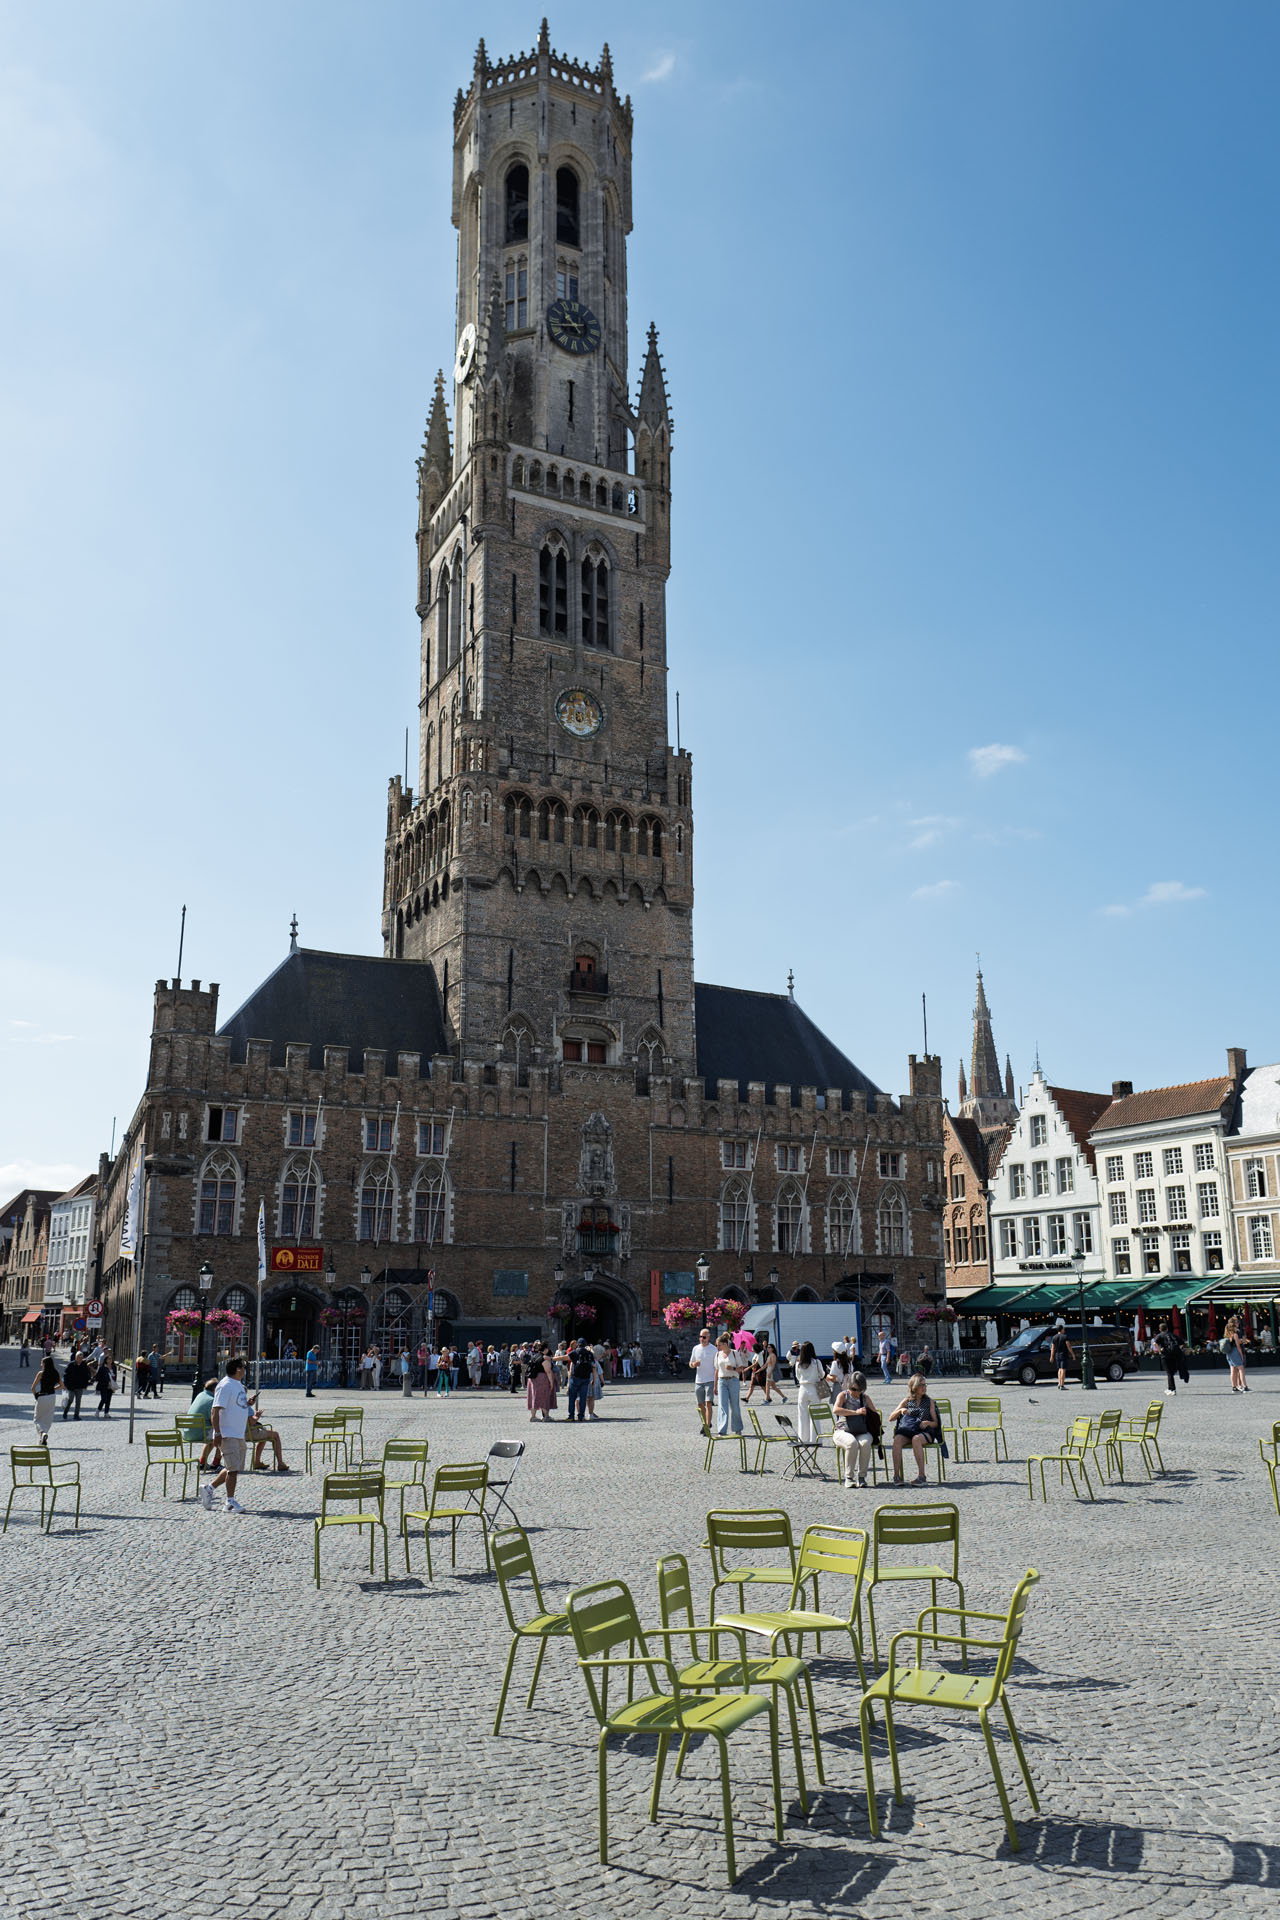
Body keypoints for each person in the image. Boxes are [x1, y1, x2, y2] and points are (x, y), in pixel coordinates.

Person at [201, 1357, 251, 1513]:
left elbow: (236, 1405)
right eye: (243, 1367)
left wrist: (248, 1404)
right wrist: (217, 1432)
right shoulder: (225, 1385)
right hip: (228, 1433)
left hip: (238, 1433)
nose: (244, 1370)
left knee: (233, 1467)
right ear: (237, 1369)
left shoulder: (238, 1386)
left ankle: (209, 1488)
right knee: (233, 1470)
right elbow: (215, 1410)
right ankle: (229, 1502)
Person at [889, 1374, 941, 1486]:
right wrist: (900, 1411)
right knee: (897, 1439)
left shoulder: (929, 1402)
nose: (924, 1387)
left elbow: (936, 1423)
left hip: (925, 1432)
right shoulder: (907, 1401)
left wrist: (927, 1423)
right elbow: (891, 1418)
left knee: (916, 1439)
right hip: (909, 1431)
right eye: (921, 1385)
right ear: (914, 1387)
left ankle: (922, 1476)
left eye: (925, 1385)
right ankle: (896, 1476)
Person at [832, 1370, 877, 1488]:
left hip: (861, 1429)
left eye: (859, 1390)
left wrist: (868, 1412)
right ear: (849, 1386)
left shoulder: (865, 1398)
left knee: (865, 1443)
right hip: (842, 1429)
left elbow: (875, 1415)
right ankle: (849, 1477)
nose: (856, 1392)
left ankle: (862, 1477)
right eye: (853, 1389)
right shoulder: (843, 1395)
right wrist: (855, 1412)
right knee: (852, 1443)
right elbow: (836, 1410)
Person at [246, 1394, 293, 1473]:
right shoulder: (245, 1408)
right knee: (275, 1435)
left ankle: (257, 1462)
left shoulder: (235, 1405)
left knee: (263, 1436)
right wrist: (257, 1416)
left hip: (238, 1432)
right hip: (249, 1433)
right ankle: (280, 1463)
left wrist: (248, 1404)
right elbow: (252, 1422)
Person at [793, 1341, 826, 1444]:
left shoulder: (798, 1363)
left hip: (802, 1389)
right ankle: (815, 1439)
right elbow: (822, 1375)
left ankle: (803, 1439)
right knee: (815, 1416)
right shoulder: (816, 1362)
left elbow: (798, 1377)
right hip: (814, 1389)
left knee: (802, 1416)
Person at [187, 1377, 221, 1470]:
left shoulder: (201, 1395)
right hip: (200, 1432)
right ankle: (216, 1463)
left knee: (212, 1434)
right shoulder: (211, 1400)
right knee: (222, 1435)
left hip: (189, 1432)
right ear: (215, 1390)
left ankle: (202, 1462)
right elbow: (214, 1420)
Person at [714, 1332, 744, 1437]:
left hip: (733, 1380)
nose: (717, 1347)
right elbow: (717, 1370)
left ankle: (737, 1428)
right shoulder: (717, 1354)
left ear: (725, 1344)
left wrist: (733, 1368)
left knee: (735, 1405)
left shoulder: (735, 1353)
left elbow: (741, 1369)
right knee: (722, 1406)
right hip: (722, 1381)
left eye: (719, 1345)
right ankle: (722, 1430)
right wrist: (715, 1385)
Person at [689, 1327, 717, 1434]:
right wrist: (693, 1364)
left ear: (708, 1337)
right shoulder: (695, 1348)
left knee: (708, 1403)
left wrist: (716, 1382)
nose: (702, 1339)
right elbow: (690, 1363)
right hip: (699, 1380)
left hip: (710, 1379)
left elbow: (716, 1366)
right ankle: (706, 1423)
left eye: (704, 1337)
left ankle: (707, 1428)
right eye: (700, 1336)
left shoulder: (713, 1349)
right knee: (700, 1404)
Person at [32, 1355, 61, 1442]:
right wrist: (53, 1389)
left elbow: (33, 1388)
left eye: (42, 1363)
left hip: (42, 1396)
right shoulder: (56, 1373)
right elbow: (62, 1385)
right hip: (52, 1397)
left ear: (45, 1364)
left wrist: (36, 1396)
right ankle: (43, 1436)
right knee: (48, 1417)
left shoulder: (41, 1373)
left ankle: (42, 1433)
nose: (41, 1365)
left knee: (37, 1419)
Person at [525, 1343, 556, 1422]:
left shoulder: (534, 1356)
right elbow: (548, 1372)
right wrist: (551, 1383)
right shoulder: (544, 1358)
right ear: (545, 1349)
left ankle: (533, 1416)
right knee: (544, 1396)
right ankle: (546, 1416)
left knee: (533, 1397)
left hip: (532, 1379)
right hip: (542, 1378)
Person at [1153, 1319, 1183, 1395]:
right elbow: (1182, 1344)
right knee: (1171, 1373)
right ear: (1167, 1328)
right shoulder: (1172, 1334)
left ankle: (1172, 1389)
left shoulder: (1159, 1335)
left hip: (1165, 1356)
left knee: (1169, 1373)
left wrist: (1160, 1350)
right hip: (1174, 1356)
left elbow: (1154, 1344)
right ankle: (1170, 1388)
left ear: (1160, 1329)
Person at [566, 1338, 594, 1422]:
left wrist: (553, 1358)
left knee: (572, 1398)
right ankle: (581, 1416)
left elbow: (566, 1357)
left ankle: (571, 1416)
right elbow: (593, 1365)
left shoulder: (575, 1352)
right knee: (583, 1398)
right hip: (586, 1378)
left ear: (578, 1344)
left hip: (575, 1378)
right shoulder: (589, 1354)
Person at [62, 1350, 91, 1421]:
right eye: (78, 1357)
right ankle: (65, 1411)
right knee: (70, 1400)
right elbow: (65, 1375)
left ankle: (76, 1415)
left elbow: (87, 1376)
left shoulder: (84, 1365)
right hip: (71, 1386)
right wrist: (65, 1384)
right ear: (75, 1358)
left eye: (81, 1357)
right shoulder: (70, 1365)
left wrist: (86, 1384)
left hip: (79, 1386)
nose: (80, 1359)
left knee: (78, 1401)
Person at [1223, 1316, 1248, 1392]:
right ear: (1233, 1325)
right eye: (1237, 1322)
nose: (1238, 1323)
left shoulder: (1227, 1334)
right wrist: (1241, 1356)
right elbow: (1238, 1346)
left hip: (1229, 1353)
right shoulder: (1235, 1334)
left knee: (1233, 1371)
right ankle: (1244, 1387)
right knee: (1241, 1369)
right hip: (1235, 1352)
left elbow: (1232, 1342)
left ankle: (1234, 1387)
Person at [1049, 1320, 1074, 1391]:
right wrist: (1073, 1354)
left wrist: (1051, 1356)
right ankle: (1062, 1385)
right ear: (1062, 1329)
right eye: (1063, 1329)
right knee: (1063, 1370)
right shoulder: (1065, 1337)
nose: (1064, 1330)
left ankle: (1059, 1383)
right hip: (1063, 1354)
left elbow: (1052, 1348)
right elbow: (1068, 1346)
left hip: (1057, 1355)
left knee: (1059, 1369)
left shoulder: (1054, 1337)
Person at [94, 1353, 117, 1419]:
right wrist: (103, 1380)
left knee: (108, 1400)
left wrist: (114, 1382)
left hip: (111, 1386)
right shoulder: (102, 1368)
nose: (110, 1360)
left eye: (111, 1359)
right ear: (106, 1360)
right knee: (104, 1399)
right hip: (103, 1385)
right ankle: (98, 1410)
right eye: (109, 1359)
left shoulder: (114, 1367)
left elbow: (115, 1376)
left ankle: (106, 1412)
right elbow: (97, 1377)